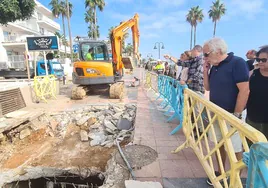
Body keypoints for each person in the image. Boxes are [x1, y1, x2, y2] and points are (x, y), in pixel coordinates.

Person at [203, 38, 249, 185]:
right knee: (219, 145)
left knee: (235, 148)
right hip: (216, 113)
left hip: (231, 115)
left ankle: (235, 179)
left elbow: (244, 90)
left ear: (218, 51)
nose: (205, 57)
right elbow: (208, 88)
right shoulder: (214, 66)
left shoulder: (237, 62)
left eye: (206, 54)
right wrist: (205, 70)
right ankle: (221, 171)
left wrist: (236, 115)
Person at [246, 46, 268, 139]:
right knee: (252, 148)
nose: (260, 62)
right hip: (253, 119)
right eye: (258, 59)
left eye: (263, 60)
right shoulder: (252, 74)